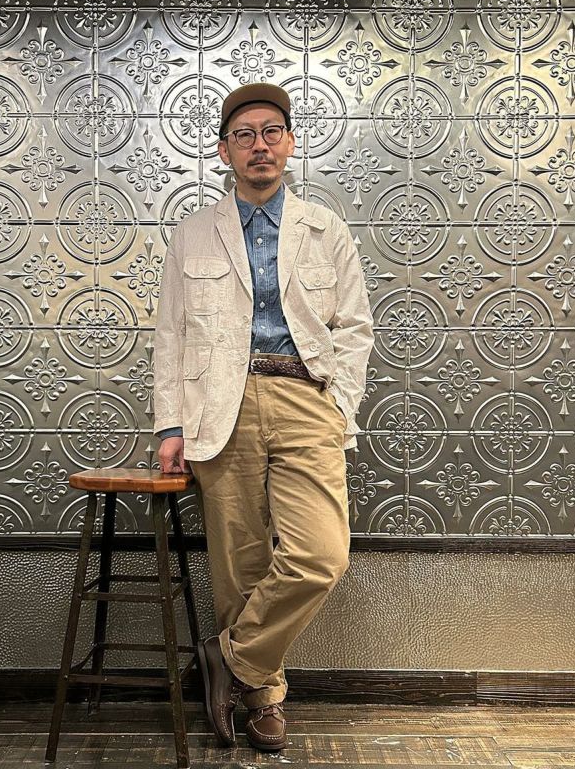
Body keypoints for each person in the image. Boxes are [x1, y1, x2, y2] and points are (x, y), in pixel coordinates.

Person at [153, 82, 373, 752]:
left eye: (271, 132)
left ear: (291, 143)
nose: (259, 145)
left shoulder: (325, 229)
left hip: (305, 397)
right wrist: (169, 425)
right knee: (239, 563)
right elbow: (171, 335)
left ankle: (228, 656)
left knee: (320, 555)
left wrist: (339, 404)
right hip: (221, 403)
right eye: (244, 134)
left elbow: (354, 328)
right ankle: (263, 697)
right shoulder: (193, 233)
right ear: (225, 151)